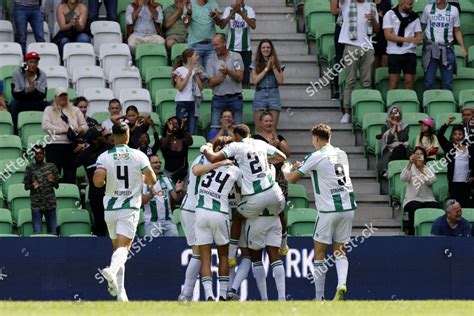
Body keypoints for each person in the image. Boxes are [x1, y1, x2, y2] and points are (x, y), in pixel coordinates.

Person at [283, 123, 356, 301]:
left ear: (316, 138)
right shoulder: (342, 153)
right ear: (329, 138)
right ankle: (341, 284)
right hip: (348, 208)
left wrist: (287, 168)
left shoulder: (315, 155)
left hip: (328, 210)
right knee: (340, 250)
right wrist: (307, 166)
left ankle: (319, 297)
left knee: (319, 252)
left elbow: (291, 180)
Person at [201, 124, 288, 266]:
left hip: (255, 197)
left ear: (237, 136)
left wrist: (205, 149)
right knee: (280, 213)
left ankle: (231, 256)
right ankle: (284, 246)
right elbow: (282, 156)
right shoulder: (260, 143)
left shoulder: (236, 146)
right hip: (274, 193)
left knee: (237, 217)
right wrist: (267, 160)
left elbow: (213, 158)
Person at [93, 121, 157, 302]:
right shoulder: (139, 156)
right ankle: (111, 271)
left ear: (113, 136)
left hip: (111, 209)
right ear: (128, 135)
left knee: (118, 252)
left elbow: (98, 182)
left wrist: (102, 179)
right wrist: (143, 177)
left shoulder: (104, 156)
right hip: (129, 208)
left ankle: (121, 295)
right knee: (123, 249)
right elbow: (152, 179)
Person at [177, 137, 233, 302]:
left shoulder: (210, 156)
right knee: (198, 253)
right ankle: (186, 294)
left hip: (200, 209)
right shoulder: (203, 158)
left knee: (200, 254)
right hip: (193, 208)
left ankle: (189, 295)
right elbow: (196, 171)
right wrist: (218, 163)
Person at [195, 142, 242, 301]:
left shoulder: (207, 164)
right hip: (220, 213)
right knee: (223, 255)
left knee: (205, 257)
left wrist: (216, 163)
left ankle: (208, 296)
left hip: (201, 212)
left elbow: (195, 171)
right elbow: (242, 190)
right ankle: (222, 295)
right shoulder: (236, 170)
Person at [338, 0, 379, 123]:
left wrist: (373, 20)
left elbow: (377, 29)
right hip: (351, 44)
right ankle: (347, 113)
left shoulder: (372, 6)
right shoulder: (346, 3)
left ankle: (364, 111)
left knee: (367, 81)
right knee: (350, 80)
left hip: (368, 46)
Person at [42, 87, 88, 184]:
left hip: (70, 146)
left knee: (70, 175)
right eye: (60, 96)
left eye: (64, 95)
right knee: (53, 176)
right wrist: (63, 130)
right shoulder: (49, 110)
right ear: (55, 97)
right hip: (54, 145)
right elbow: (45, 126)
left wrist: (80, 128)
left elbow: (85, 126)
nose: (63, 98)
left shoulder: (75, 110)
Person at [421, 0, 467, 91]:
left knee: (447, 82)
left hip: (447, 48)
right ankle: (427, 103)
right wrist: (416, 38)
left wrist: (463, 47)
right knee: (428, 81)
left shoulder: (454, 10)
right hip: (431, 48)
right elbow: (423, 26)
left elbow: (457, 30)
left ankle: (446, 102)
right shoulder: (428, 8)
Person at [75, 125, 113, 236]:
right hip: (96, 194)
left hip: (112, 191)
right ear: (94, 140)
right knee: (99, 222)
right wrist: (76, 150)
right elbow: (72, 164)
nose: (102, 138)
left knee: (113, 221)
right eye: (99, 137)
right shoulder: (86, 153)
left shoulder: (109, 148)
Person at [245, 205, 286, 301]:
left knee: (256, 258)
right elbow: (282, 209)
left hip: (256, 220)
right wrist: (284, 241)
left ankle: (264, 299)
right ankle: (282, 298)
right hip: (274, 219)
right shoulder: (277, 189)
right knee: (275, 256)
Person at [206, 34, 244, 129]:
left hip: (235, 97)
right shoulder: (211, 59)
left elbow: (239, 77)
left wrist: (228, 72)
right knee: (215, 128)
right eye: (213, 45)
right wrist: (222, 76)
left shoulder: (236, 57)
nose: (214, 48)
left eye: (217, 45)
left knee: (238, 129)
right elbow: (210, 82)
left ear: (224, 43)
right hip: (218, 98)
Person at [383, 0, 423, 90]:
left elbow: (418, 35)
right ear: (402, 3)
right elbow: (388, 35)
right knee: (394, 81)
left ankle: (409, 102)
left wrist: (419, 40)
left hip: (410, 52)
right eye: (409, 4)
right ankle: (391, 102)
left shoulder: (414, 17)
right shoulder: (390, 14)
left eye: (412, 4)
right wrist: (408, 39)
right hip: (394, 52)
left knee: (409, 82)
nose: (412, 6)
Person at [142, 155, 185, 237]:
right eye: (155, 163)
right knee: (154, 248)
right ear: (148, 165)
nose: (158, 165)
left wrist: (179, 191)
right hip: (152, 223)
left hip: (168, 221)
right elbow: (139, 202)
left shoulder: (166, 179)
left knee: (174, 246)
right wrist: (150, 195)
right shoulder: (142, 181)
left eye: (159, 162)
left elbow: (177, 199)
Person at [253, 111, 291, 201]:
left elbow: (287, 153)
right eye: (266, 121)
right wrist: (270, 146)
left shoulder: (279, 137)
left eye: (270, 121)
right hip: (262, 173)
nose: (269, 123)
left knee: (281, 200)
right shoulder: (255, 138)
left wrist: (279, 143)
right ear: (261, 123)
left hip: (278, 173)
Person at [437, 115, 474, 208]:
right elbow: (439, 135)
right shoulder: (449, 148)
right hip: (454, 184)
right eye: (455, 134)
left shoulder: (471, 148)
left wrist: (473, 176)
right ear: (452, 136)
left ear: (464, 135)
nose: (457, 136)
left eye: (460, 134)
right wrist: (447, 123)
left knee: (467, 207)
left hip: (467, 184)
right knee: (455, 209)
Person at [401, 146, 440, 235]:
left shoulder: (428, 169)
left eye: (421, 154)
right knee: (414, 207)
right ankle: (412, 233)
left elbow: (431, 180)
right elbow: (403, 178)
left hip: (428, 199)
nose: (418, 156)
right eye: (416, 154)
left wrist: (421, 169)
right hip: (412, 199)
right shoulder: (409, 168)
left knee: (436, 208)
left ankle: (433, 234)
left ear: (424, 157)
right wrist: (410, 163)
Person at [24, 145, 60, 235]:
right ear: (33, 155)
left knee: (53, 233)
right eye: (36, 154)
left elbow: (57, 186)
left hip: (50, 204)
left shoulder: (51, 166)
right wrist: (32, 185)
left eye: (40, 153)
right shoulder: (30, 168)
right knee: (37, 234)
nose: (39, 155)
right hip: (36, 205)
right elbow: (26, 187)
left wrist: (53, 181)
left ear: (44, 154)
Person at [219, 0, 256, 89]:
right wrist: (232, 13)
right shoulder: (228, 9)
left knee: (246, 77)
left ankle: (245, 98)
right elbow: (222, 25)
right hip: (232, 49)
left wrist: (241, 13)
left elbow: (253, 26)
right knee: (232, 73)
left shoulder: (249, 10)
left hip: (245, 50)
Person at [251, 40, 284, 132]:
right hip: (260, 93)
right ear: (260, 50)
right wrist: (266, 69)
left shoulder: (277, 63)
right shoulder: (255, 63)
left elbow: (280, 81)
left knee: (272, 129)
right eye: (263, 47)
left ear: (271, 49)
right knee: (259, 129)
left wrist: (273, 66)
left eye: (268, 47)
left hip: (273, 94)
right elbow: (255, 81)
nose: (266, 49)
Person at [10, 51, 49, 132]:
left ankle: (48, 131)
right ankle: (15, 131)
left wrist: (35, 91)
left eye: (35, 62)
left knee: (49, 106)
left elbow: (43, 95)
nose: (33, 64)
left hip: (36, 101)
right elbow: (14, 94)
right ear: (26, 62)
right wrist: (26, 91)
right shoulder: (17, 73)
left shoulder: (42, 75)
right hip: (22, 101)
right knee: (14, 105)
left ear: (38, 63)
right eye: (31, 62)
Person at [173, 48, 203, 134]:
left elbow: (201, 88)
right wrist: (190, 73)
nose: (198, 57)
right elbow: (180, 87)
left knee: (192, 129)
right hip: (182, 101)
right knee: (181, 128)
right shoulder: (180, 70)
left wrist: (196, 75)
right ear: (189, 58)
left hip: (193, 102)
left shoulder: (197, 70)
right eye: (195, 55)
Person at [186, 0, 220, 68]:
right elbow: (185, 23)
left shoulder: (213, 3)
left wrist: (215, 17)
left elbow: (219, 23)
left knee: (211, 74)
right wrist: (189, 12)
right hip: (194, 45)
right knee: (196, 74)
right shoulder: (190, 3)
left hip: (211, 46)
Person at [377, 106, 409, 178]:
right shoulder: (384, 126)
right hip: (389, 150)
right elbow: (388, 140)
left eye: (397, 113)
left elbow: (402, 139)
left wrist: (398, 125)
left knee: (400, 148)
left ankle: (391, 170)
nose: (395, 116)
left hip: (403, 150)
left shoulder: (405, 126)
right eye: (393, 113)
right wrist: (395, 126)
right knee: (398, 149)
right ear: (389, 115)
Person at [160, 116, 193, 181]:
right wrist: (169, 132)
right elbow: (163, 147)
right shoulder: (164, 138)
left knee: (183, 191)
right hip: (168, 173)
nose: (175, 126)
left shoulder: (183, 138)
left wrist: (184, 130)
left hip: (182, 173)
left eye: (177, 124)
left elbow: (190, 142)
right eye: (172, 124)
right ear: (168, 125)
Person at [330, 0, 343, 100]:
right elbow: (334, 11)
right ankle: (337, 88)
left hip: (356, 29)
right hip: (341, 28)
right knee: (340, 59)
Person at [373, 0, 391, 70]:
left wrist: (383, 16)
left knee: (384, 62)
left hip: (384, 35)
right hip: (373, 35)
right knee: (374, 62)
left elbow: (390, 19)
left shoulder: (386, 3)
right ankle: (373, 80)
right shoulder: (368, 3)